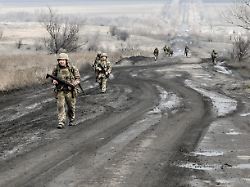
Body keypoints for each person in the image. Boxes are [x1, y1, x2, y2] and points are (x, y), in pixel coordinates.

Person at [51, 53, 81, 129]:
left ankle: (71, 119)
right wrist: (54, 81)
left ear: (66, 60)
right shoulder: (56, 68)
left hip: (70, 91)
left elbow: (78, 79)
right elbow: (52, 77)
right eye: (60, 60)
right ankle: (61, 122)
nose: (61, 61)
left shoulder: (72, 68)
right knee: (60, 106)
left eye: (63, 60)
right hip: (60, 90)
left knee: (71, 107)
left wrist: (73, 84)